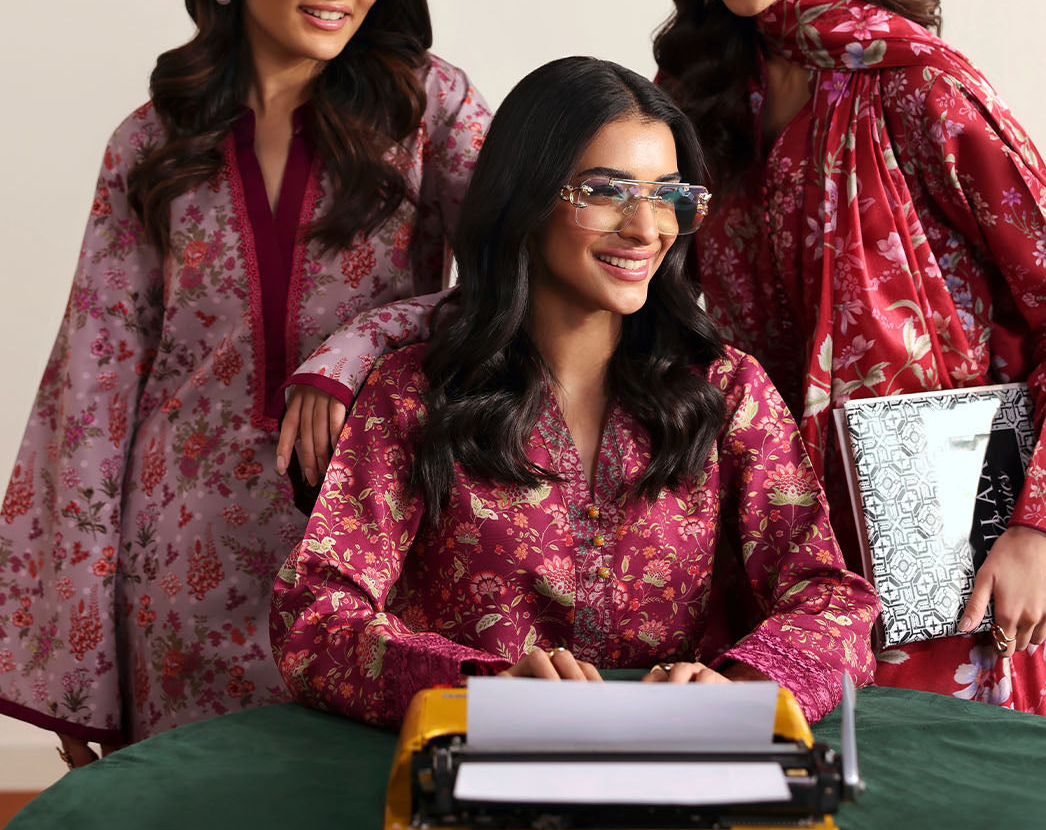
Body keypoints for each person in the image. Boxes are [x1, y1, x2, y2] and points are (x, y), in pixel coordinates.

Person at [633, 0, 1046, 743]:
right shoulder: (703, 104)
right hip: (773, 561)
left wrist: (1039, 530)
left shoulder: (916, 88)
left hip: (949, 560)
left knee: (952, 817)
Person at [0, 0, 489, 762]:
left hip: (369, 551)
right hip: (178, 571)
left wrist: (360, 345)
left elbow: (528, 278)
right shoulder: (153, 142)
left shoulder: (431, 107)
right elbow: (93, 392)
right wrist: (78, 667)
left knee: (362, 824)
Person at [270, 58, 878, 727]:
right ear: (524, 198)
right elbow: (315, 615)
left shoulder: (726, 390)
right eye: (607, 192)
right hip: (481, 760)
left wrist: (741, 687)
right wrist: (479, 690)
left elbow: (833, 601)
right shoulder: (415, 393)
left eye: (667, 196)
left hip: (678, 757)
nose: (646, 229)